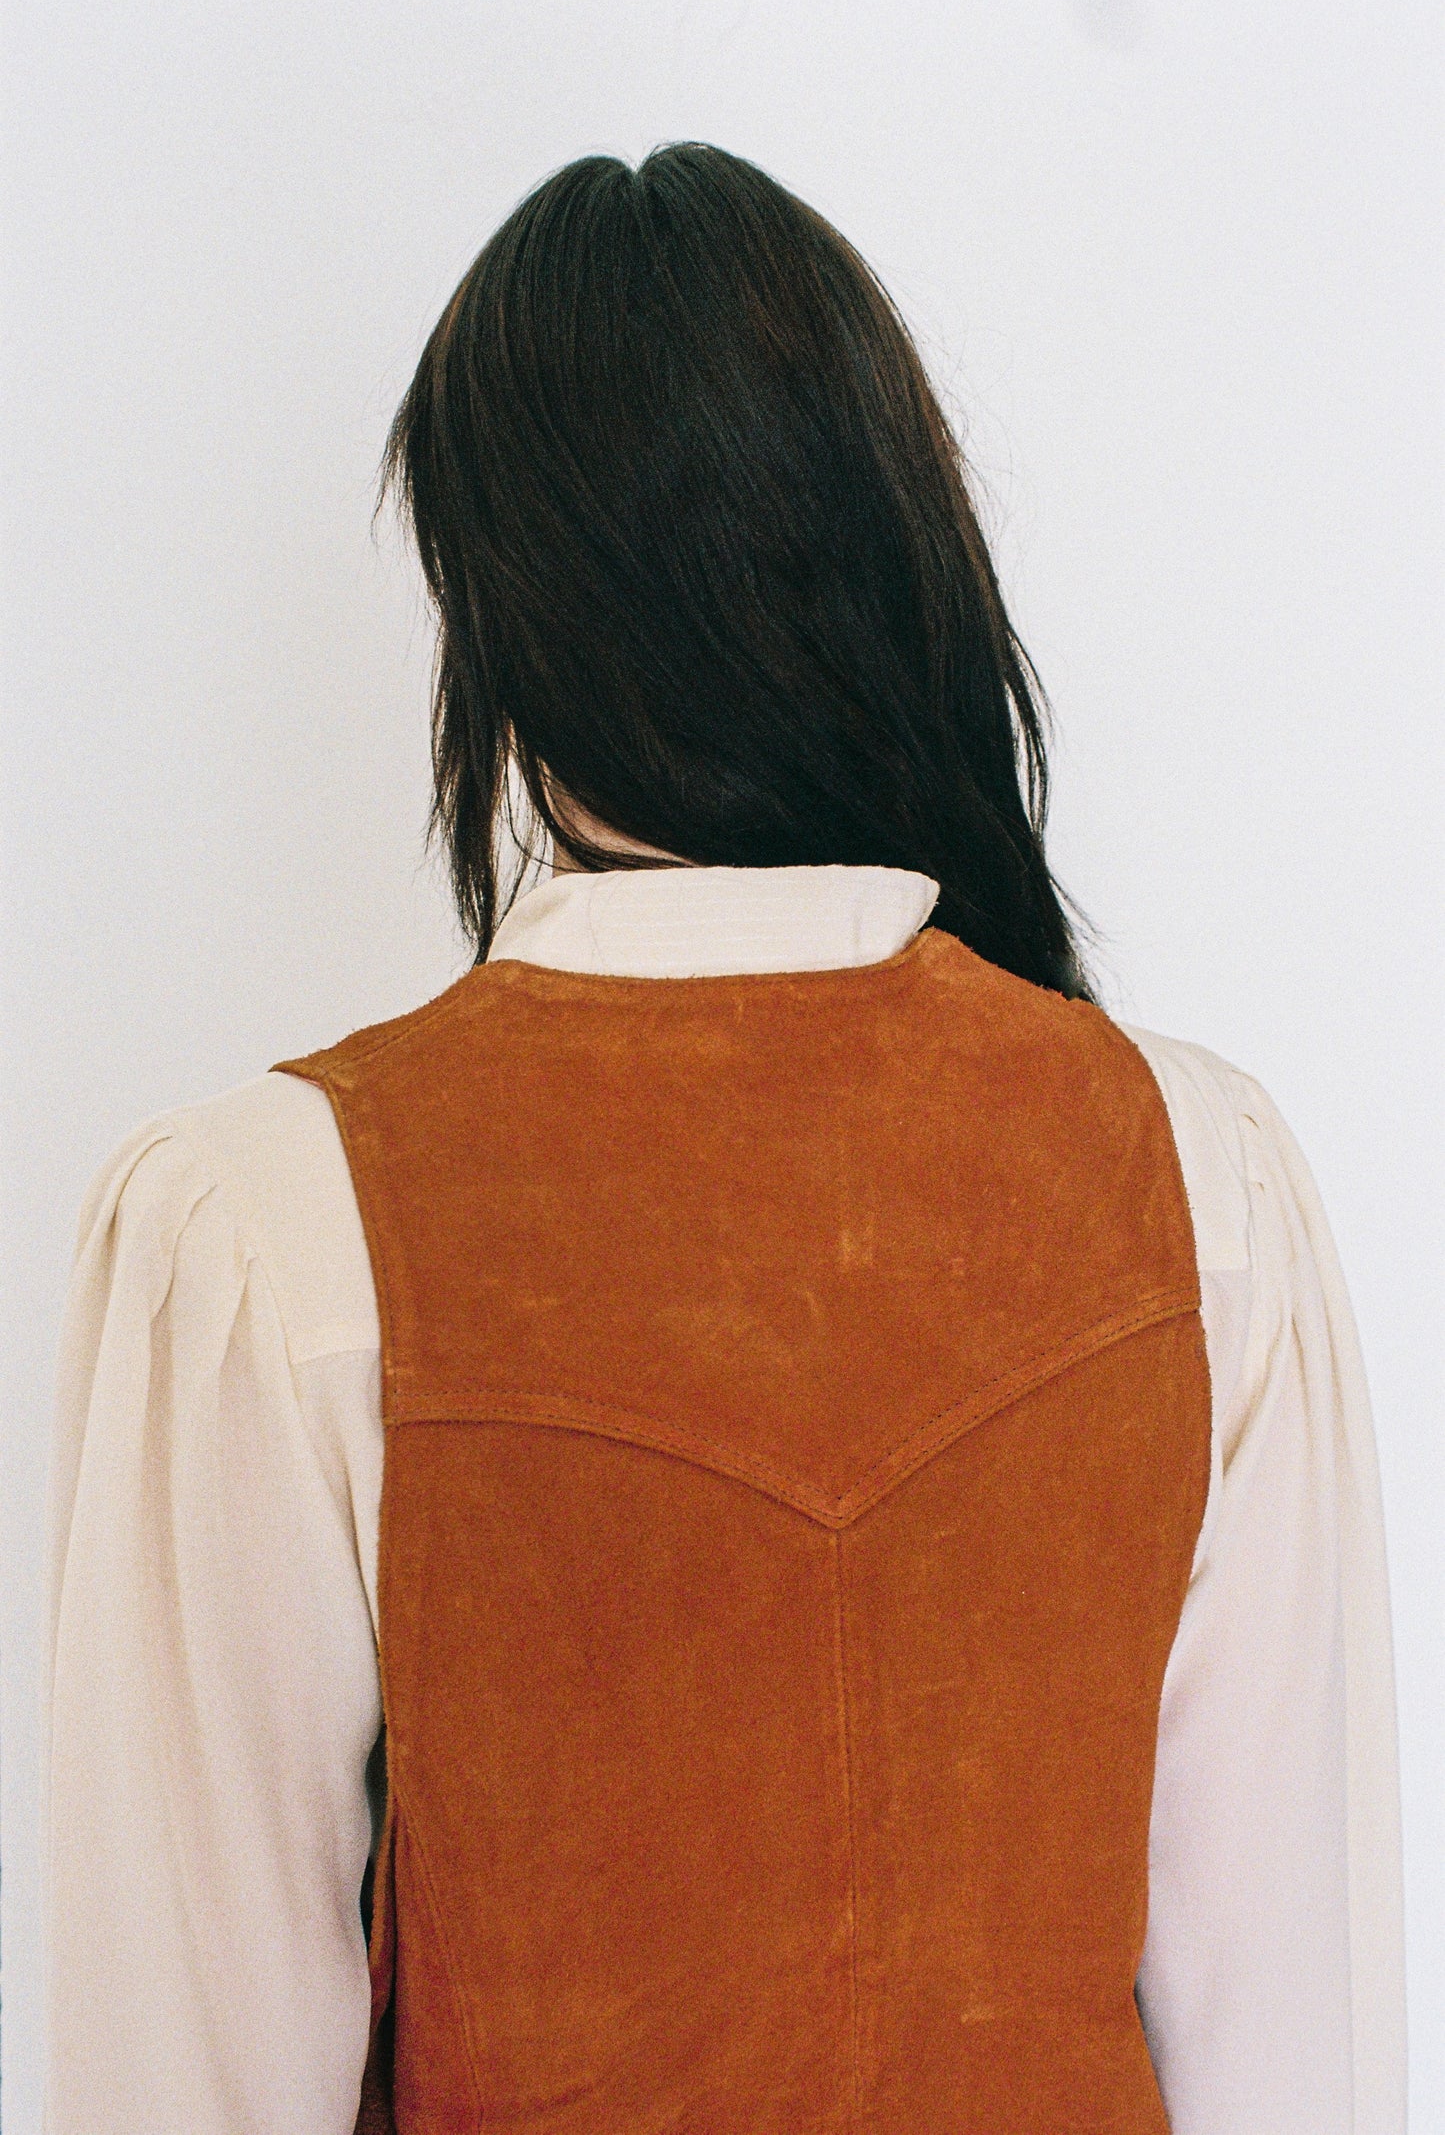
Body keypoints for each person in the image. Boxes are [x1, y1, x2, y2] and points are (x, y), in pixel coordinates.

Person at [44, 144, 1404, 2134]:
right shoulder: (1197, 1187)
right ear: (888, 559)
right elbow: (1296, 2060)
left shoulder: (272, 1227)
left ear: (499, 607)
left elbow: (180, 2086)